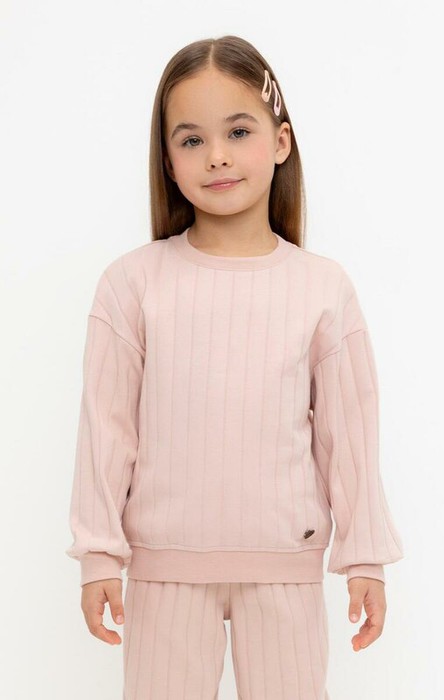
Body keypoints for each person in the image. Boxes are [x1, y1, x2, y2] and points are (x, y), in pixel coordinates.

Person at [65, 34, 404, 700]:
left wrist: (365, 555)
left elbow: (349, 433)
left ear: (280, 141)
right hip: (164, 569)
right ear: (168, 160)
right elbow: (106, 428)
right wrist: (98, 553)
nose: (216, 155)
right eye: (191, 140)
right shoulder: (132, 284)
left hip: (285, 566)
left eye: (238, 131)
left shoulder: (322, 287)